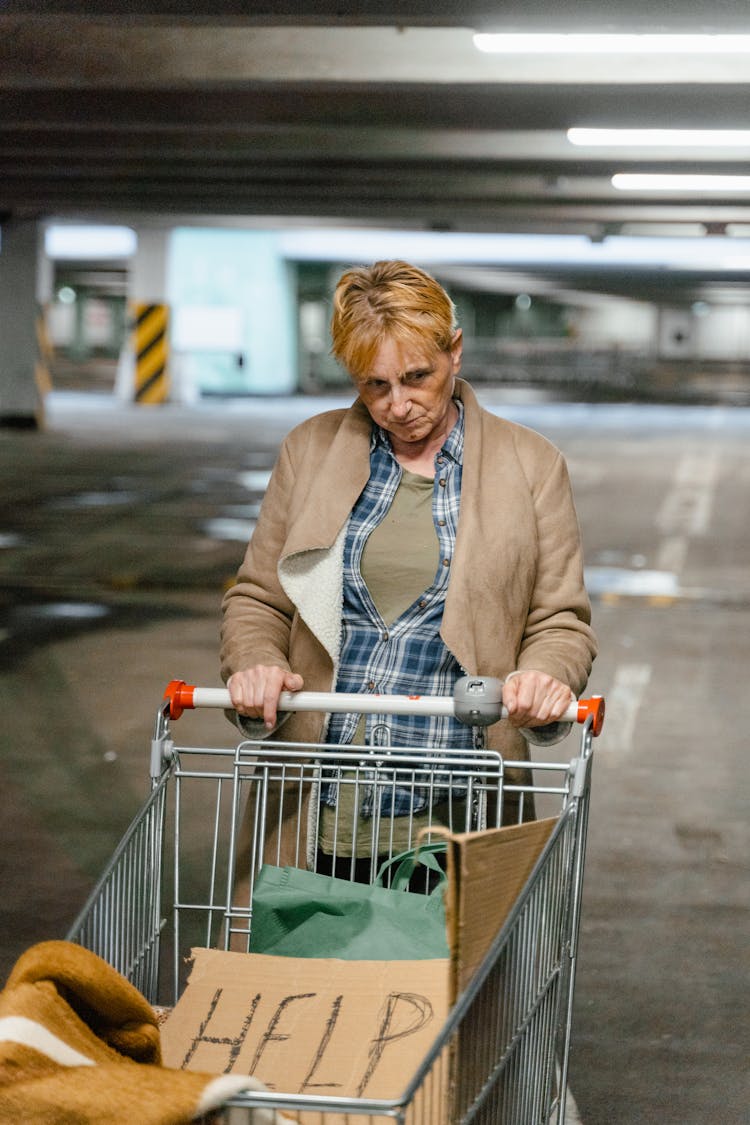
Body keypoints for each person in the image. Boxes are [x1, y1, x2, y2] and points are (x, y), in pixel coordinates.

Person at [220, 259, 597, 876]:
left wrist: (543, 676)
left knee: (447, 972)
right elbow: (258, 598)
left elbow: (560, 620)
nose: (398, 406)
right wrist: (257, 662)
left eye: (417, 377)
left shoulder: (532, 466)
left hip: (459, 806)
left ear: (454, 352)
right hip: (319, 799)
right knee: (312, 970)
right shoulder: (309, 452)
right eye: (375, 386)